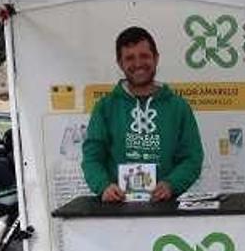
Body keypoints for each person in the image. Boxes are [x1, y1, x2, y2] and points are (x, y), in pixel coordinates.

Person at [82, 26, 203, 202]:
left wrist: (171, 184)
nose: (138, 63)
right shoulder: (105, 107)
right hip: (116, 210)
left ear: (156, 58)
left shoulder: (178, 107)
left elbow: (192, 158)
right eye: (130, 58)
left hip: (166, 208)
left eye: (144, 56)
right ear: (120, 63)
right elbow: (92, 157)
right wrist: (104, 186)